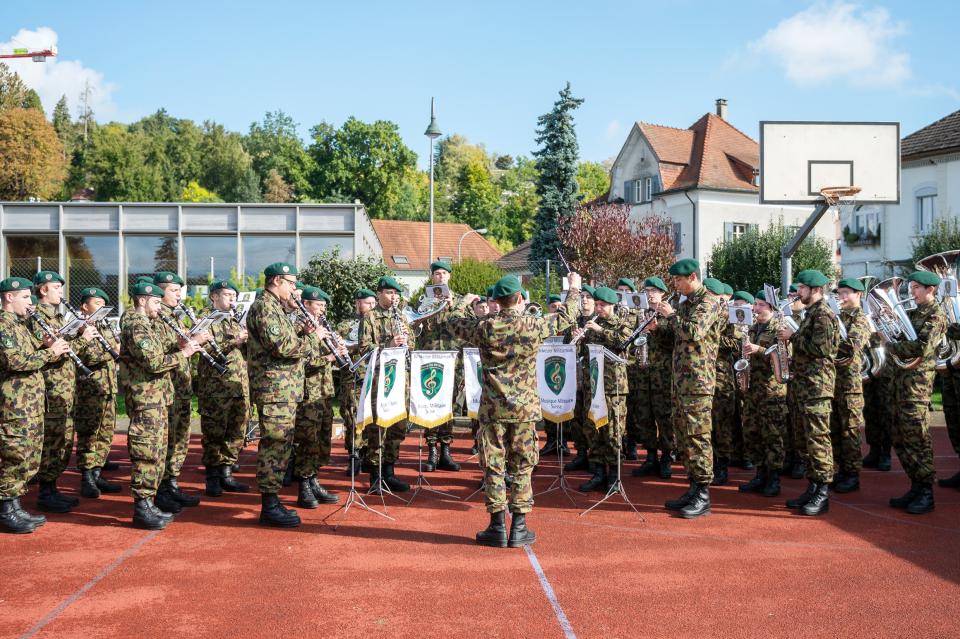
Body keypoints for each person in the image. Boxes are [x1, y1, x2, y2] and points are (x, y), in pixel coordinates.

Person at [448, 273, 582, 547]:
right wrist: (574, 289)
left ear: (496, 301)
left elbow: (453, 323)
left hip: (493, 410)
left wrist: (463, 302)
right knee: (522, 466)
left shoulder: (485, 327)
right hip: (524, 410)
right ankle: (519, 527)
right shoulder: (532, 325)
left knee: (494, 467)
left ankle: (497, 526)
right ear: (520, 298)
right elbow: (566, 317)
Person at [119, 282, 200, 529]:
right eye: (155, 302)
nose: (159, 306)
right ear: (142, 301)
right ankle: (142, 507)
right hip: (146, 400)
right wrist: (184, 353)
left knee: (156, 452)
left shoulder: (149, 323)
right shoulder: (135, 325)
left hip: (157, 398)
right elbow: (153, 362)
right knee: (146, 452)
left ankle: (149, 502)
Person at [872, 271, 946, 514]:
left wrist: (890, 344)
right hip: (898, 383)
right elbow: (897, 335)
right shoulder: (912, 314)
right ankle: (915, 485)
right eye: (911, 287)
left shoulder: (936, 316)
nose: (911, 292)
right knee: (899, 437)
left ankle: (926, 491)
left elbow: (922, 348)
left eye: (916, 288)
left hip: (916, 387)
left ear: (930, 290)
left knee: (917, 438)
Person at [247, 262, 315, 527]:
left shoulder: (276, 307)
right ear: (276, 281)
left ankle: (273, 500)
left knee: (281, 443)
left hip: (284, 389)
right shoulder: (264, 307)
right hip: (274, 390)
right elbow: (282, 347)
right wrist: (311, 339)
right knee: (274, 444)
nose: (294, 288)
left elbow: (284, 339)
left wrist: (302, 331)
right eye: (291, 282)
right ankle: (269, 504)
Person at [0, 277, 70, 533]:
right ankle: (6, 508)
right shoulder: (4, 325)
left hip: (30, 402)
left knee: (27, 454)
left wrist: (47, 344)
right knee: (15, 454)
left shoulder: (19, 326)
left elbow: (30, 355)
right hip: (15, 404)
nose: (31, 303)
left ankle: (15, 504)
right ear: (10, 297)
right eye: (26, 297)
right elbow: (15, 361)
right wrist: (49, 353)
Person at [656, 259, 723, 519]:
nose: (676, 285)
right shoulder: (687, 304)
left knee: (698, 437)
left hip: (698, 382)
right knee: (683, 436)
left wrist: (671, 316)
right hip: (682, 381)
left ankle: (703, 494)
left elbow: (694, 332)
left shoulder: (708, 303)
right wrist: (659, 326)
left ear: (692, 277)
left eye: (678, 280)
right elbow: (675, 337)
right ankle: (693, 487)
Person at [32, 270, 95, 513]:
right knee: (52, 440)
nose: (61, 291)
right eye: (56, 287)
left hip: (66, 388)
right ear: (43, 290)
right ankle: (46, 491)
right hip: (51, 387)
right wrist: (83, 339)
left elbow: (65, 349)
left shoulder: (58, 317)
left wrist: (80, 334)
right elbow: (56, 351)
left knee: (63, 440)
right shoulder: (36, 316)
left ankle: (52, 487)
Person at [778, 270, 840, 516]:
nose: (798, 292)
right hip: (804, 386)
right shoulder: (810, 314)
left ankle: (823, 492)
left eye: (802, 288)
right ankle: (813, 486)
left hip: (817, 388)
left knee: (818, 440)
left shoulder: (823, 315)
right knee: (804, 440)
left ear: (815, 290)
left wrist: (793, 337)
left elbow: (822, 349)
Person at [570, 286, 633, 492]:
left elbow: (624, 342)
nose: (598, 308)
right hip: (593, 386)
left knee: (613, 431)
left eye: (602, 305)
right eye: (596, 305)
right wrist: (578, 337)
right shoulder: (590, 324)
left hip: (613, 388)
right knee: (593, 429)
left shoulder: (621, 324)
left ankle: (614, 476)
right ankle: (598, 473)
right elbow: (581, 353)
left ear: (612, 305)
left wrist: (600, 331)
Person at [152, 271, 206, 513]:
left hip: (181, 387)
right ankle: (162, 489)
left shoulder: (175, 316)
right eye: (174, 290)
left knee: (180, 439)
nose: (178, 295)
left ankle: (171, 482)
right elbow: (160, 352)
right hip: (166, 388)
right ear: (160, 291)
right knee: (167, 439)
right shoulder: (155, 317)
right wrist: (187, 343)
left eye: (179, 291)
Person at [358, 276, 413, 495]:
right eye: (389, 293)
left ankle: (389, 472)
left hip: (401, 376)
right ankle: (375, 475)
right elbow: (364, 348)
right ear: (379, 293)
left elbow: (413, 345)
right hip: (382, 378)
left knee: (398, 425)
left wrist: (407, 341)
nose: (393, 297)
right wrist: (387, 345)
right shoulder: (369, 317)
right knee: (379, 426)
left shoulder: (401, 316)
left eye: (396, 294)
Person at [197, 279, 250, 497]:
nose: (232, 299)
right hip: (215, 387)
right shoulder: (203, 319)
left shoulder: (236, 320)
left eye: (234, 296)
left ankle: (227, 472)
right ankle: (213, 477)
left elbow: (245, 353)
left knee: (237, 430)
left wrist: (247, 341)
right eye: (227, 295)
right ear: (214, 297)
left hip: (238, 385)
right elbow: (202, 346)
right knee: (214, 432)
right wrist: (233, 342)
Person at [292, 286, 342, 508]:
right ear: (307, 304)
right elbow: (301, 361)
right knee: (307, 440)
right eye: (319, 305)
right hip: (307, 392)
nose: (322, 309)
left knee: (322, 440)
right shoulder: (298, 327)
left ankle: (313, 479)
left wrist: (338, 348)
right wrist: (329, 357)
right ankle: (303, 486)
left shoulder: (320, 326)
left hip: (324, 391)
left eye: (324, 306)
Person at [72, 287, 122, 499]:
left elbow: (117, 350)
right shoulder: (77, 327)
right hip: (89, 388)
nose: (101, 307)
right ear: (85, 306)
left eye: (103, 304)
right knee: (89, 433)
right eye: (97, 303)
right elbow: (86, 355)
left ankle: (98, 472)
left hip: (108, 387)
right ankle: (87, 477)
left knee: (105, 432)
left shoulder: (104, 326)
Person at [739, 290, 788, 497]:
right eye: (756, 304)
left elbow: (784, 356)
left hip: (771, 392)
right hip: (753, 391)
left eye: (761, 305)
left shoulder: (779, 328)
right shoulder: (752, 327)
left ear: (771, 307)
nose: (756, 309)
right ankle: (760, 474)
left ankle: (773, 478)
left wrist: (758, 349)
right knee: (753, 432)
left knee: (772, 436)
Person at [416, 261, 463, 472]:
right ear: (432, 277)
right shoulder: (423, 302)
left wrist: (452, 305)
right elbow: (414, 328)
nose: (441, 277)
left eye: (444, 273)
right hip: (429, 360)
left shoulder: (460, 301)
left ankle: (445, 449)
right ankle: (431, 449)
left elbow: (466, 326)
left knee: (449, 406)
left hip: (452, 361)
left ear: (449, 277)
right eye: (437, 274)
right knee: (430, 403)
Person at [630, 277, 676, 479]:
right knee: (644, 417)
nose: (650, 294)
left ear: (663, 294)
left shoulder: (669, 314)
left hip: (663, 376)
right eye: (647, 290)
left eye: (654, 291)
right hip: (643, 374)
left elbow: (675, 341)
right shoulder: (641, 314)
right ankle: (650, 457)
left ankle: (666, 457)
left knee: (665, 418)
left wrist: (656, 329)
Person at [829, 279, 871, 493]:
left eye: (846, 293)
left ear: (858, 295)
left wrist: (825, 346)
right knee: (835, 429)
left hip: (850, 386)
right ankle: (842, 470)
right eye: (840, 293)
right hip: (834, 382)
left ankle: (853, 474)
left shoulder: (861, 320)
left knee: (850, 431)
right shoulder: (838, 317)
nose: (841, 297)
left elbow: (850, 348)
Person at [337, 289, 376, 477]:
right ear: (357, 303)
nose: (370, 307)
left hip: (374, 377)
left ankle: (370, 455)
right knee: (352, 417)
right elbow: (337, 346)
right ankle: (354, 455)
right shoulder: (346, 325)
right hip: (353, 377)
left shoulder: (377, 323)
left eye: (372, 303)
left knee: (372, 417)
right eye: (366, 303)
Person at [708, 280, 741, 486]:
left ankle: (722, 465)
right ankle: (709, 463)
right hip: (703, 377)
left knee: (722, 425)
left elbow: (736, 343)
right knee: (707, 425)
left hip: (721, 378)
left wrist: (711, 338)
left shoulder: (729, 316)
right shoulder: (701, 313)